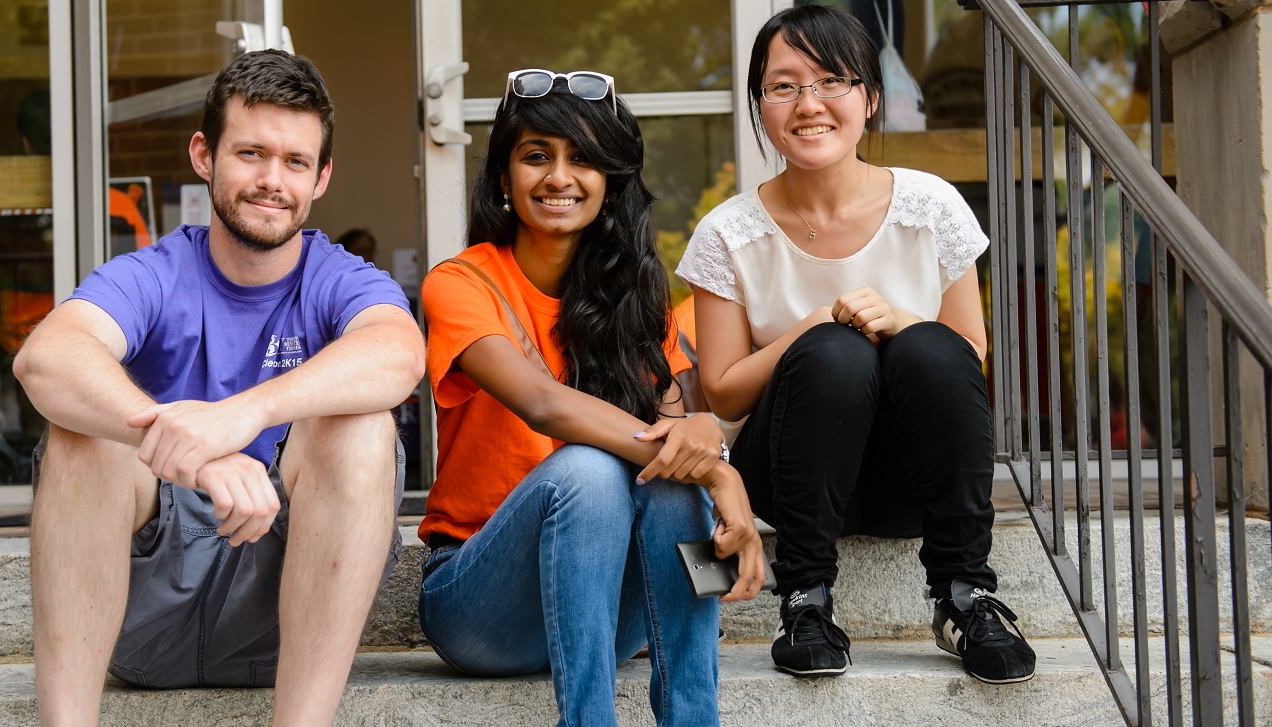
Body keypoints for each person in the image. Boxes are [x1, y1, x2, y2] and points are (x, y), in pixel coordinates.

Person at [15, 50, 424, 726]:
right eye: (251, 153)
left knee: (361, 427)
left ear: (322, 177)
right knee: (81, 435)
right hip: (140, 617)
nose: (272, 180)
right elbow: (46, 358)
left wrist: (240, 416)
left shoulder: (338, 276)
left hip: (292, 624)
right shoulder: (154, 272)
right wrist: (191, 450)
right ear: (205, 155)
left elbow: (400, 354)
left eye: (295, 162)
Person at [675, 5, 1036, 684]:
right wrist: (811, 327)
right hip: (788, 478)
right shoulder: (728, 231)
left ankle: (966, 594)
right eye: (783, 86)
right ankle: (805, 600)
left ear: (869, 99)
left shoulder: (930, 206)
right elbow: (720, 388)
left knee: (929, 347)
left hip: (909, 482)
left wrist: (902, 321)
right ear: (760, 105)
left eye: (831, 80)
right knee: (833, 351)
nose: (808, 103)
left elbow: (970, 352)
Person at [417, 68, 765, 726]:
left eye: (582, 158)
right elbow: (544, 404)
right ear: (502, 176)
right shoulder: (459, 283)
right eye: (537, 156)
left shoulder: (634, 299)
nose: (558, 177)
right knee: (593, 467)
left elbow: (676, 445)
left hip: (610, 605)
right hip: (479, 602)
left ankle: (695, 715)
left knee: (668, 476)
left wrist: (710, 463)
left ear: (609, 182)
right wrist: (723, 468)